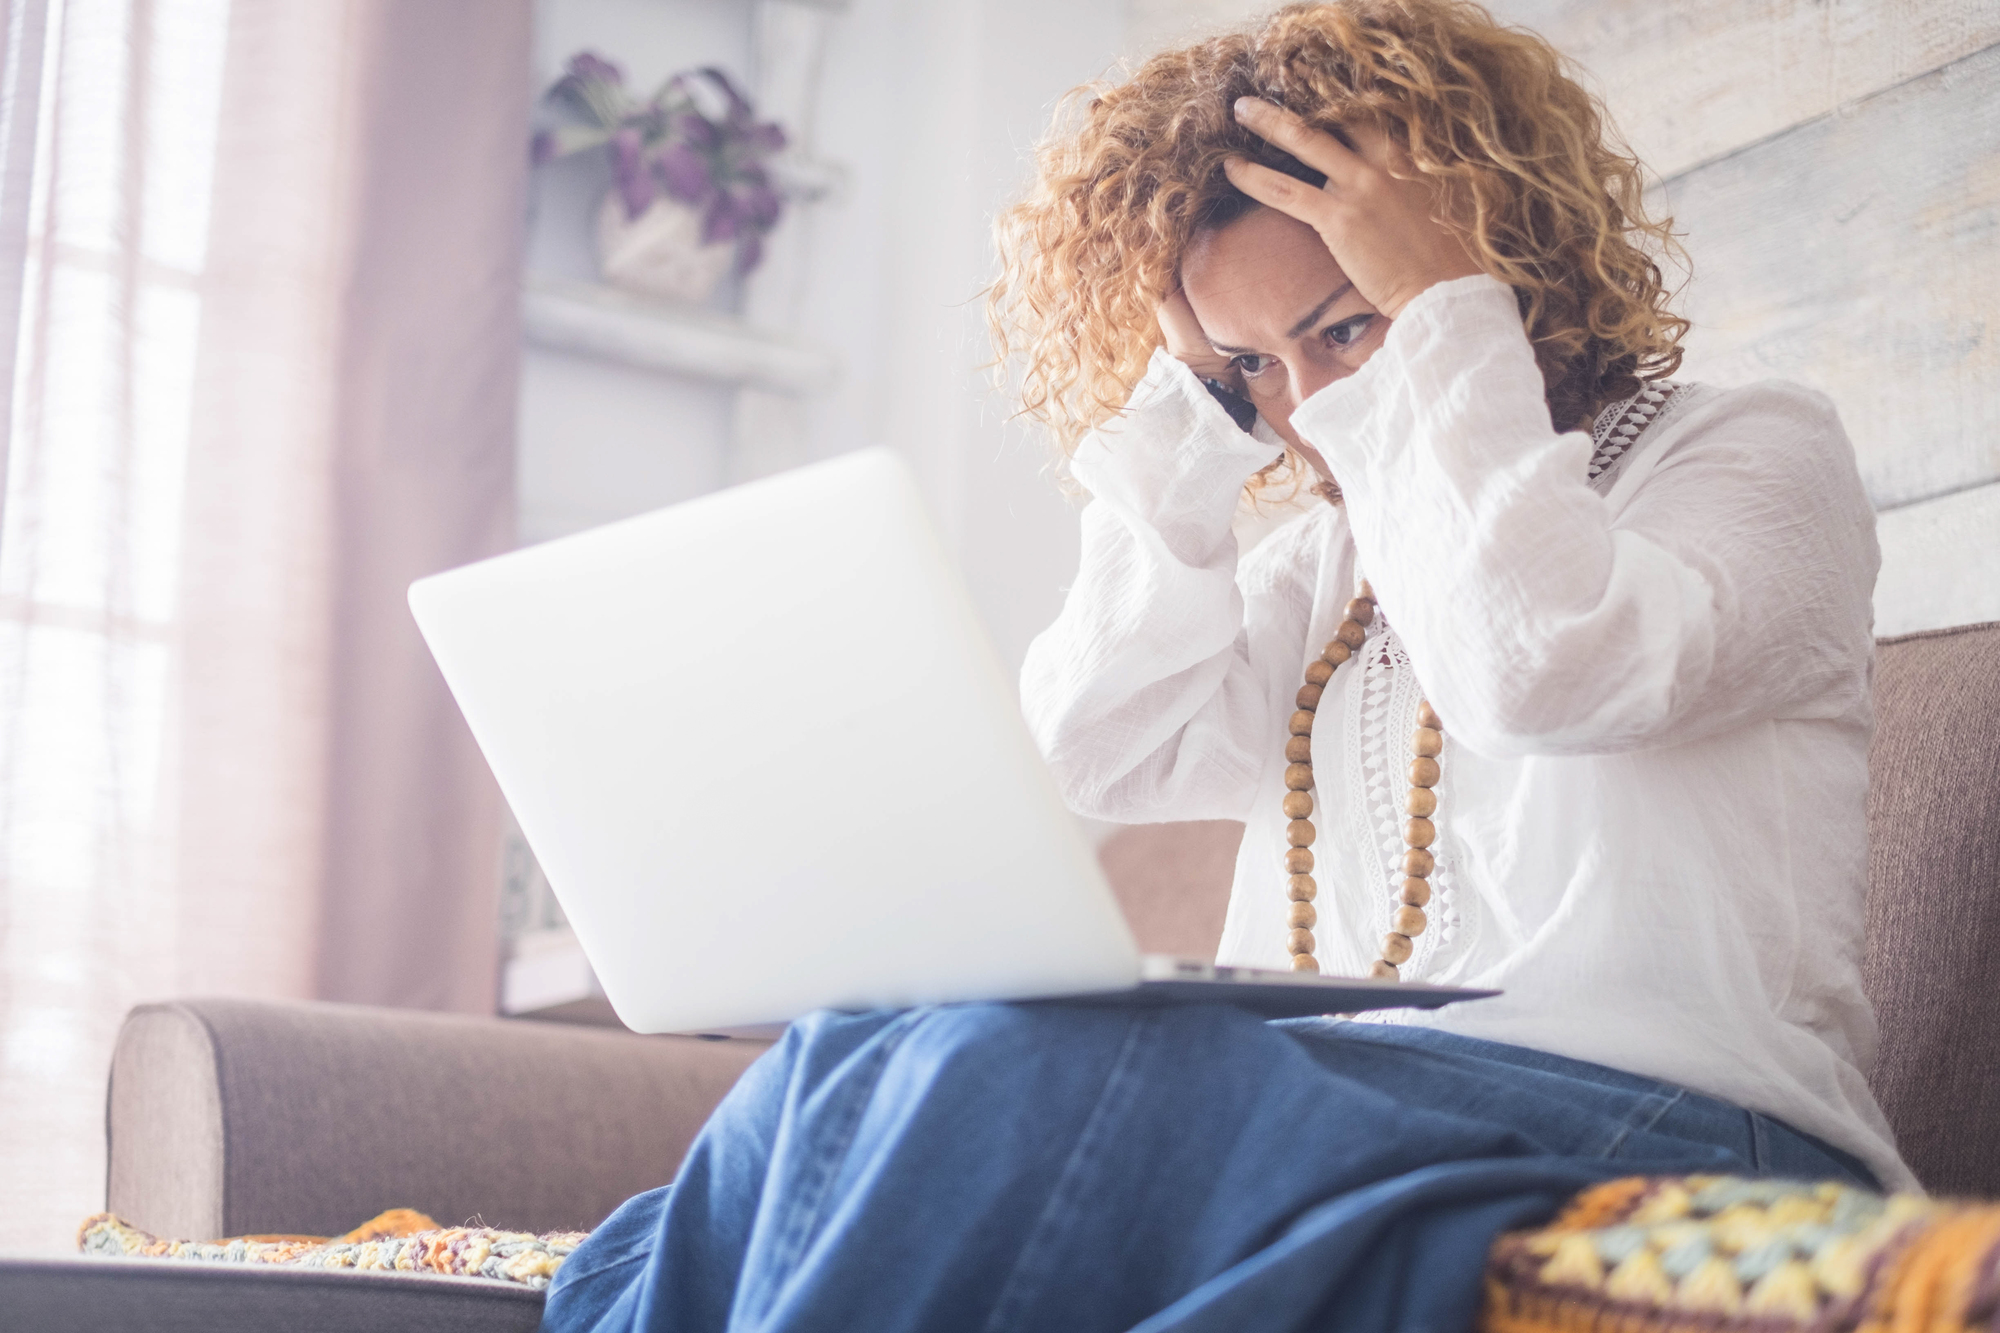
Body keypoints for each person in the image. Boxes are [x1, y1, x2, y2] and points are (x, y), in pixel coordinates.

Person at [541, 4, 1908, 1330]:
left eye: (1346, 326)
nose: (1306, 409)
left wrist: (1442, 311)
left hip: (1687, 1118)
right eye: (1252, 363)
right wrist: (1192, 421)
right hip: (1360, 1100)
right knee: (844, 1061)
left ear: (1491, 259)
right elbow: (1097, 747)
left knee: (994, 1071)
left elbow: (1537, 669)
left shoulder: (1750, 453)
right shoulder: (1329, 560)